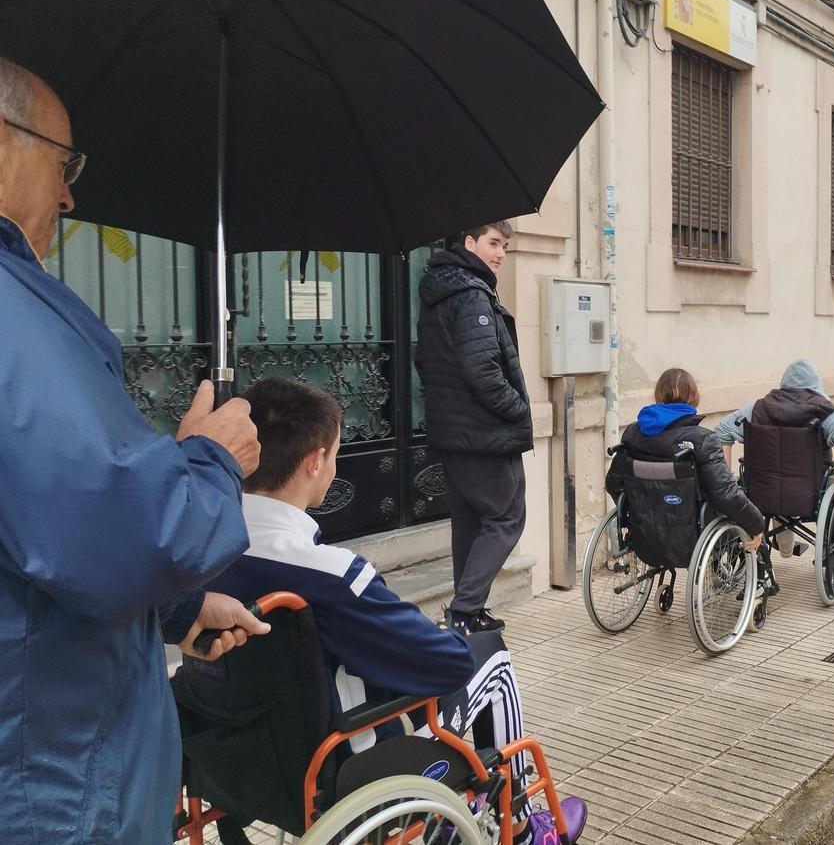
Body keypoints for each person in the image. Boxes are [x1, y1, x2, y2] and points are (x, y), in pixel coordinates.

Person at [0, 58, 267, 842]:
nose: (69, 194)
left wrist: (176, 608)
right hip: (49, 783)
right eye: (64, 162)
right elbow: (125, 531)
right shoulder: (12, 317)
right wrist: (212, 459)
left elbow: (41, 536)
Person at [207, 377, 587, 844]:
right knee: (487, 653)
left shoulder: (197, 552)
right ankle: (525, 824)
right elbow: (447, 666)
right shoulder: (329, 575)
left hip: (239, 755)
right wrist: (433, 636)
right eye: (334, 454)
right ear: (313, 462)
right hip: (346, 754)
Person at [416, 222, 530, 635]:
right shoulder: (471, 295)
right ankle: (465, 612)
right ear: (469, 243)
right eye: (493, 243)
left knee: (469, 522)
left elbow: (423, 362)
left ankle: (470, 611)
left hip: (454, 432)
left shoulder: (438, 291)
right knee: (506, 519)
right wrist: (516, 409)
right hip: (484, 434)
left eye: (505, 246)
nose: (500, 253)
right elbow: (482, 369)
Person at [713, 359, 834, 590]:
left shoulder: (758, 408)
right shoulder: (824, 412)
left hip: (759, 493)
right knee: (796, 485)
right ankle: (786, 548)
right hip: (806, 495)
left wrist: (728, 477)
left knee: (775, 486)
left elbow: (722, 430)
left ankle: (782, 549)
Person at [607, 367, 764, 554]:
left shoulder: (633, 434)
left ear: (659, 395)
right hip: (692, 534)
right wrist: (756, 523)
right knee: (736, 512)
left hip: (645, 529)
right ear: (693, 396)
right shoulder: (702, 440)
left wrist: (637, 511)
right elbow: (725, 493)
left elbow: (613, 483)